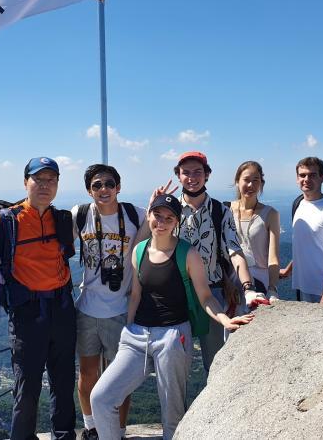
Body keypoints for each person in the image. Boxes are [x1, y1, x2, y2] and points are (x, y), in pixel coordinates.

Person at [90, 193, 253, 440]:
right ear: (149, 215)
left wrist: (224, 320)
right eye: (157, 215)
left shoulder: (188, 254)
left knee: (172, 414)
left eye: (169, 218)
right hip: (136, 336)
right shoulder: (139, 251)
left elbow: (206, 296)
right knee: (101, 397)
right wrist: (129, 328)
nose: (162, 222)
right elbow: (135, 294)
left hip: (173, 335)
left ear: (176, 222)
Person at [0, 157, 77, 440]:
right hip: (28, 313)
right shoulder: (7, 221)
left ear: (58, 185)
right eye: (39, 179)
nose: (45, 185)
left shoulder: (61, 219)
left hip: (62, 308)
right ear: (26, 182)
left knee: (63, 382)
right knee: (28, 386)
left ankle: (63, 436)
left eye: (52, 180)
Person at [71, 164, 150, 440]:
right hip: (87, 309)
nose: (103, 189)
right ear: (89, 190)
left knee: (119, 381)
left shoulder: (135, 215)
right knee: (88, 375)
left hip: (121, 310)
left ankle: (117, 432)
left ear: (118, 187)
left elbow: (162, 225)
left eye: (108, 184)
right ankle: (92, 428)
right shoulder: (79, 215)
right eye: (96, 185)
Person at [173, 151, 266, 373]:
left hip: (212, 293)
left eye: (198, 172)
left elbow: (234, 251)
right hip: (176, 293)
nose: (192, 177)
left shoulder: (219, 211)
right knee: (175, 366)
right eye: (186, 172)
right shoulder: (170, 210)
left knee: (214, 363)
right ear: (178, 176)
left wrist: (248, 288)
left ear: (207, 175)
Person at [280, 156, 323, 304]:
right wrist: (288, 269)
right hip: (303, 287)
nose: (306, 179)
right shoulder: (298, 204)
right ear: (297, 179)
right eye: (302, 175)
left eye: (312, 175)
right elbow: (304, 245)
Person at [228, 161, 281, 301]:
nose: (251, 185)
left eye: (255, 180)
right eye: (246, 180)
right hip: (231, 280)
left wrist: (272, 288)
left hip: (260, 281)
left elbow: (273, 257)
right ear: (237, 181)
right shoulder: (226, 210)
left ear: (261, 183)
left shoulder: (270, 214)